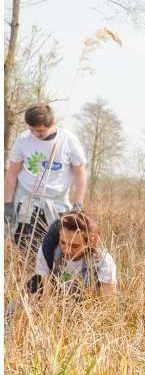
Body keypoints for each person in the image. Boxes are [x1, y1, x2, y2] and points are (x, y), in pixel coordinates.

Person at [4, 103, 88, 250]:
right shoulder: (22, 140)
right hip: (27, 203)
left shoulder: (68, 140)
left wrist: (78, 205)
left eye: (40, 131)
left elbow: (80, 175)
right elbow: (12, 173)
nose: (36, 134)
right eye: (32, 129)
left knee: (56, 250)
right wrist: (7, 204)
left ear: (51, 124)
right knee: (24, 247)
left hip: (57, 206)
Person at [25, 210, 118, 298]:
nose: (68, 250)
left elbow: (109, 302)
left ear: (89, 243)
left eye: (75, 246)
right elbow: (47, 294)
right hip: (59, 291)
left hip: (89, 300)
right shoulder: (48, 251)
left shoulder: (103, 261)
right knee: (32, 287)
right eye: (63, 243)